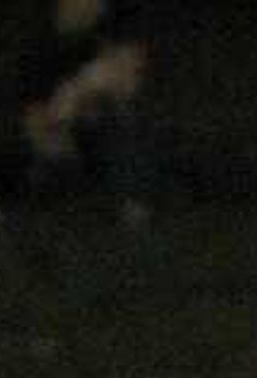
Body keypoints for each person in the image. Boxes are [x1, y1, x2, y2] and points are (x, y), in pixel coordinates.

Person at [16, 0, 154, 230]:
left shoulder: (119, 25)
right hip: (58, 128)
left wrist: (82, 89)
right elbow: (33, 116)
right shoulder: (39, 43)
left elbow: (129, 82)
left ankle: (131, 201)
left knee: (116, 119)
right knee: (47, 151)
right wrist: (60, 114)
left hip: (103, 125)